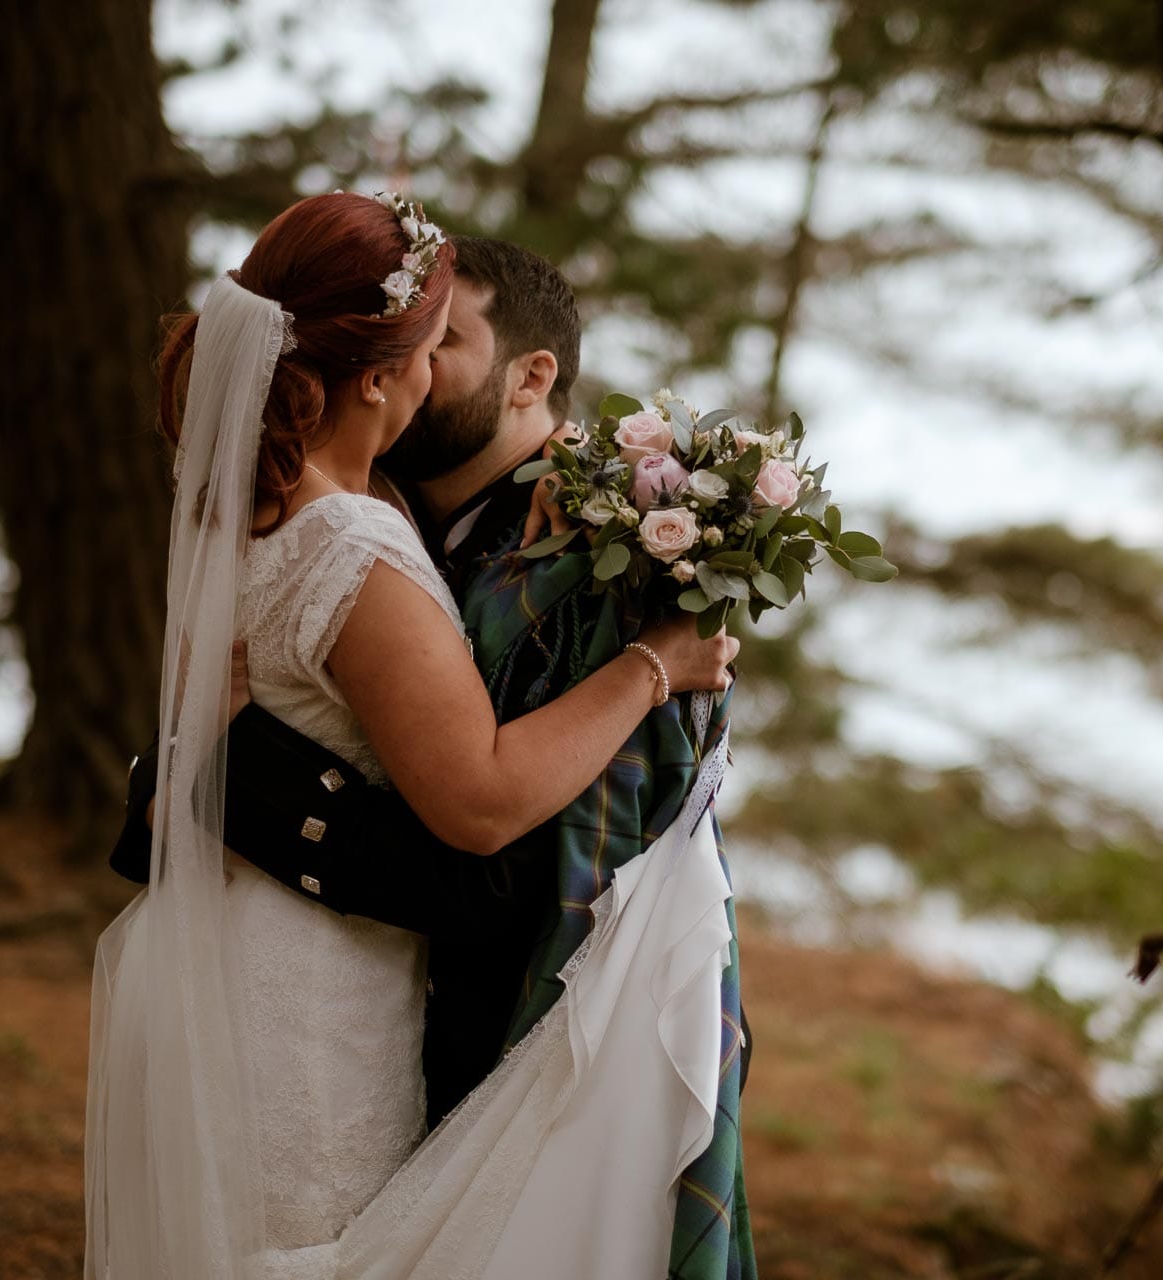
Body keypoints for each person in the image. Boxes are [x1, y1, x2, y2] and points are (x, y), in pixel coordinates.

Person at [85, 192, 741, 1279]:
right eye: (431, 347)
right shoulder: (350, 540)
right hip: (305, 990)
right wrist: (651, 667)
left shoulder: (255, 494)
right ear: (379, 375)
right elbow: (477, 799)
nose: (437, 372)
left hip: (223, 943)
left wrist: (573, 476)